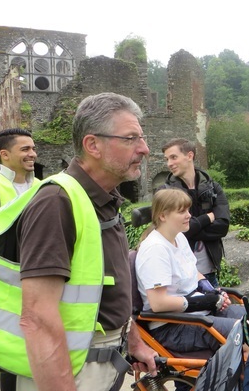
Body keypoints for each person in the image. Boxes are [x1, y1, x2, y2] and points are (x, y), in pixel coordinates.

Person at [10, 93, 158, 391]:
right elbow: (37, 318)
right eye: (131, 138)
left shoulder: (104, 200)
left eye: (141, 137)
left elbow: (106, 293)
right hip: (69, 374)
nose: (145, 148)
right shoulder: (56, 202)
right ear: (93, 145)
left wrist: (134, 342)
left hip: (99, 363)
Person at [135, 188, 245, 357]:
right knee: (245, 332)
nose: (189, 215)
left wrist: (212, 291)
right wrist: (205, 302)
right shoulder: (155, 250)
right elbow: (158, 303)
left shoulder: (179, 237)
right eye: (182, 211)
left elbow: (194, 272)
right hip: (172, 326)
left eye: (188, 210)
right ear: (163, 216)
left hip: (196, 315)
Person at [0, 129, 40, 391]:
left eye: (33, 148)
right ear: (5, 154)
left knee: (24, 354)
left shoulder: (40, 186)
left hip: (33, 283)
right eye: (25, 149)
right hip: (0, 290)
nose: (32, 153)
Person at [161, 138, 230, 287]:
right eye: (167, 159)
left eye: (173, 157)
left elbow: (223, 226)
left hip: (209, 271)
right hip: (181, 275)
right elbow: (172, 232)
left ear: (190, 156)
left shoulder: (213, 188)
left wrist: (190, 228)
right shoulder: (165, 193)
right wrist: (207, 217)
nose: (169, 164)